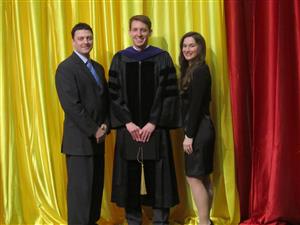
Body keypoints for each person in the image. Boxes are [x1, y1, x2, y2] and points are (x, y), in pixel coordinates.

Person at [108, 15, 181, 225]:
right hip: (128, 129)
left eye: (143, 30)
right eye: (135, 30)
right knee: (130, 175)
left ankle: (160, 220)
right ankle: (133, 220)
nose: (139, 34)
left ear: (149, 32)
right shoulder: (120, 59)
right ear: (129, 32)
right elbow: (114, 94)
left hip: (155, 130)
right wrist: (128, 122)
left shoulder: (162, 58)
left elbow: (168, 93)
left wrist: (153, 122)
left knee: (159, 176)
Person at [55, 22, 110, 225]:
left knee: (95, 192)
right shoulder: (66, 69)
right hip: (79, 142)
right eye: (81, 38)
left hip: (98, 140)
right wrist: (94, 129)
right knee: (80, 195)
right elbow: (71, 106)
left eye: (89, 37)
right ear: (73, 41)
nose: (86, 41)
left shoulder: (97, 67)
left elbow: (105, 102)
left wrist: (105, 126)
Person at [179, 32, 215, 225]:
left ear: (200, 47)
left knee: (193, 177)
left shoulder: (200, 70)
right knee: (203, 177)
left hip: (199, 129)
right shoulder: (193, 69)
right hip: (203, 127)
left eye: (192, 45)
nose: (187, 49)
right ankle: (206, 221)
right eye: (184, 46)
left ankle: (204, 222)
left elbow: (195, 106)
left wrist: (189, 135)